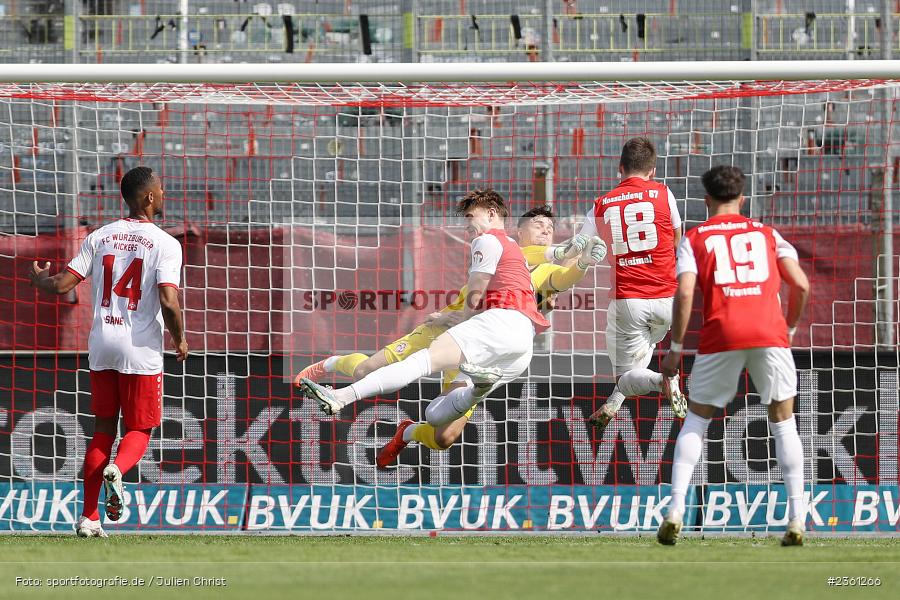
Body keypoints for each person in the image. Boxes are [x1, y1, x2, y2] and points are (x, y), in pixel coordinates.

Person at [298, 189, 550, 434]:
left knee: (417, 363)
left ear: (492, 213)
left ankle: (341, 396)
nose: (467, 227)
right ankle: (476, 390)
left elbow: (476, 288)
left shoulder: (487, 240)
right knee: (436, 417)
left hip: (494, 326)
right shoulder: (516, 252)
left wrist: (459, 320)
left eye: (471, 217)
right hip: (521, 344)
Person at [374, 206, 606, 466]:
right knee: (382, 367)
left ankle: (406, 431)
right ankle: (341, 385)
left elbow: (563, 276)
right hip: (462, 337)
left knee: (444, 437)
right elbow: (472, 293)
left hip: (492, 351)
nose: (546, 230)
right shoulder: (503, 250)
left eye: (550, 228)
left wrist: (583, 263)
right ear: (519, 231)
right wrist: (449, 317)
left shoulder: (543, 270)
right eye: (538, 224)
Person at [29, 166, 187, 538]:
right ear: (148, 198)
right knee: (140, 428)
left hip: (101, 345)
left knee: (102, 428)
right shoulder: (166, 243)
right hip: (139, 348)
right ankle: (120, 468)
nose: (164, 194)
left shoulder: (100, 235)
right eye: (160, 190)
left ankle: (89, 518)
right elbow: (168, 299)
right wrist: (179, 338)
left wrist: (41, 280)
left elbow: (63, 284)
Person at [655, 165, 810, 546]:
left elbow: (686, 293)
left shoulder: (696, 237)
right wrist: (787, 329)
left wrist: (675, 349)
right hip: (769, 331)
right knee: (783, 420)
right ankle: (797, 519)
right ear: (743, 199)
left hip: (722, 331)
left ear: (707, 200)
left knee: (696, 420)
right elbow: (801, 284)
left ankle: (675, 509)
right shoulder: (768, 234)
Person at [578, 137, 687, 433]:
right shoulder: (665, 194)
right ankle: (612, 405)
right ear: (652, 171)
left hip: (629, 300)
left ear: (620, 167)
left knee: (626, 376)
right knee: (645, 346)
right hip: (668, 300)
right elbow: (677, 238)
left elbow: (582, 250)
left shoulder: (601, 205)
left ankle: (662, 381)